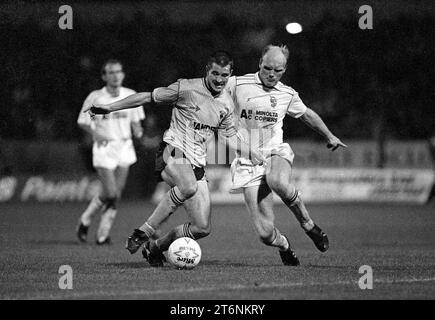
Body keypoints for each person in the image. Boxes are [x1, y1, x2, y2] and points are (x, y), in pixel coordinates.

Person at [85, 51, 264, 266]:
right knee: (188, 186)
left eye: (224, 75)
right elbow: (147, 96)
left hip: (197, 163)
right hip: (172, 150)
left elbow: (229, 136)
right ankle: (144, 232)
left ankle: (155, 247)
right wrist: (110, 108)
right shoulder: (186, 88)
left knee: (202, 228)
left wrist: (250, 151)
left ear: (230, 74)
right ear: (207, 71)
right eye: (215, 73)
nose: (219, 79)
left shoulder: (227, 103)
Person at [225, 44, 347, 265]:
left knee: (277, 181)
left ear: (285, 69)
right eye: (268, 68)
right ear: (259, 64)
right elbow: (210, 95)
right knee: (264, 233)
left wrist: (329, 136)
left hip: (274, 151)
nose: (272, 74)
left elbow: (306, 115)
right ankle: (284, 244)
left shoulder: (287, 93)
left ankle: (309, 224)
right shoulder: (236, 84)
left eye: (278, 70)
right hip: (247, 161)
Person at [76, 59, 145, 245]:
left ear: (123, 74)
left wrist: (138, 130)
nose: (115, 75)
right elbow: (83, 121)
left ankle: (100, 234)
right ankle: (87, 221)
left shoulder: (130, 95)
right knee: (111, 192)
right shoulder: (96, 97)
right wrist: (94, 132)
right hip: (104, 148)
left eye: (118, 71)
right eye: (111, 72)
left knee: (114, 195)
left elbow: (136, 120)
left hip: (125, 147)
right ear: (104, 76)